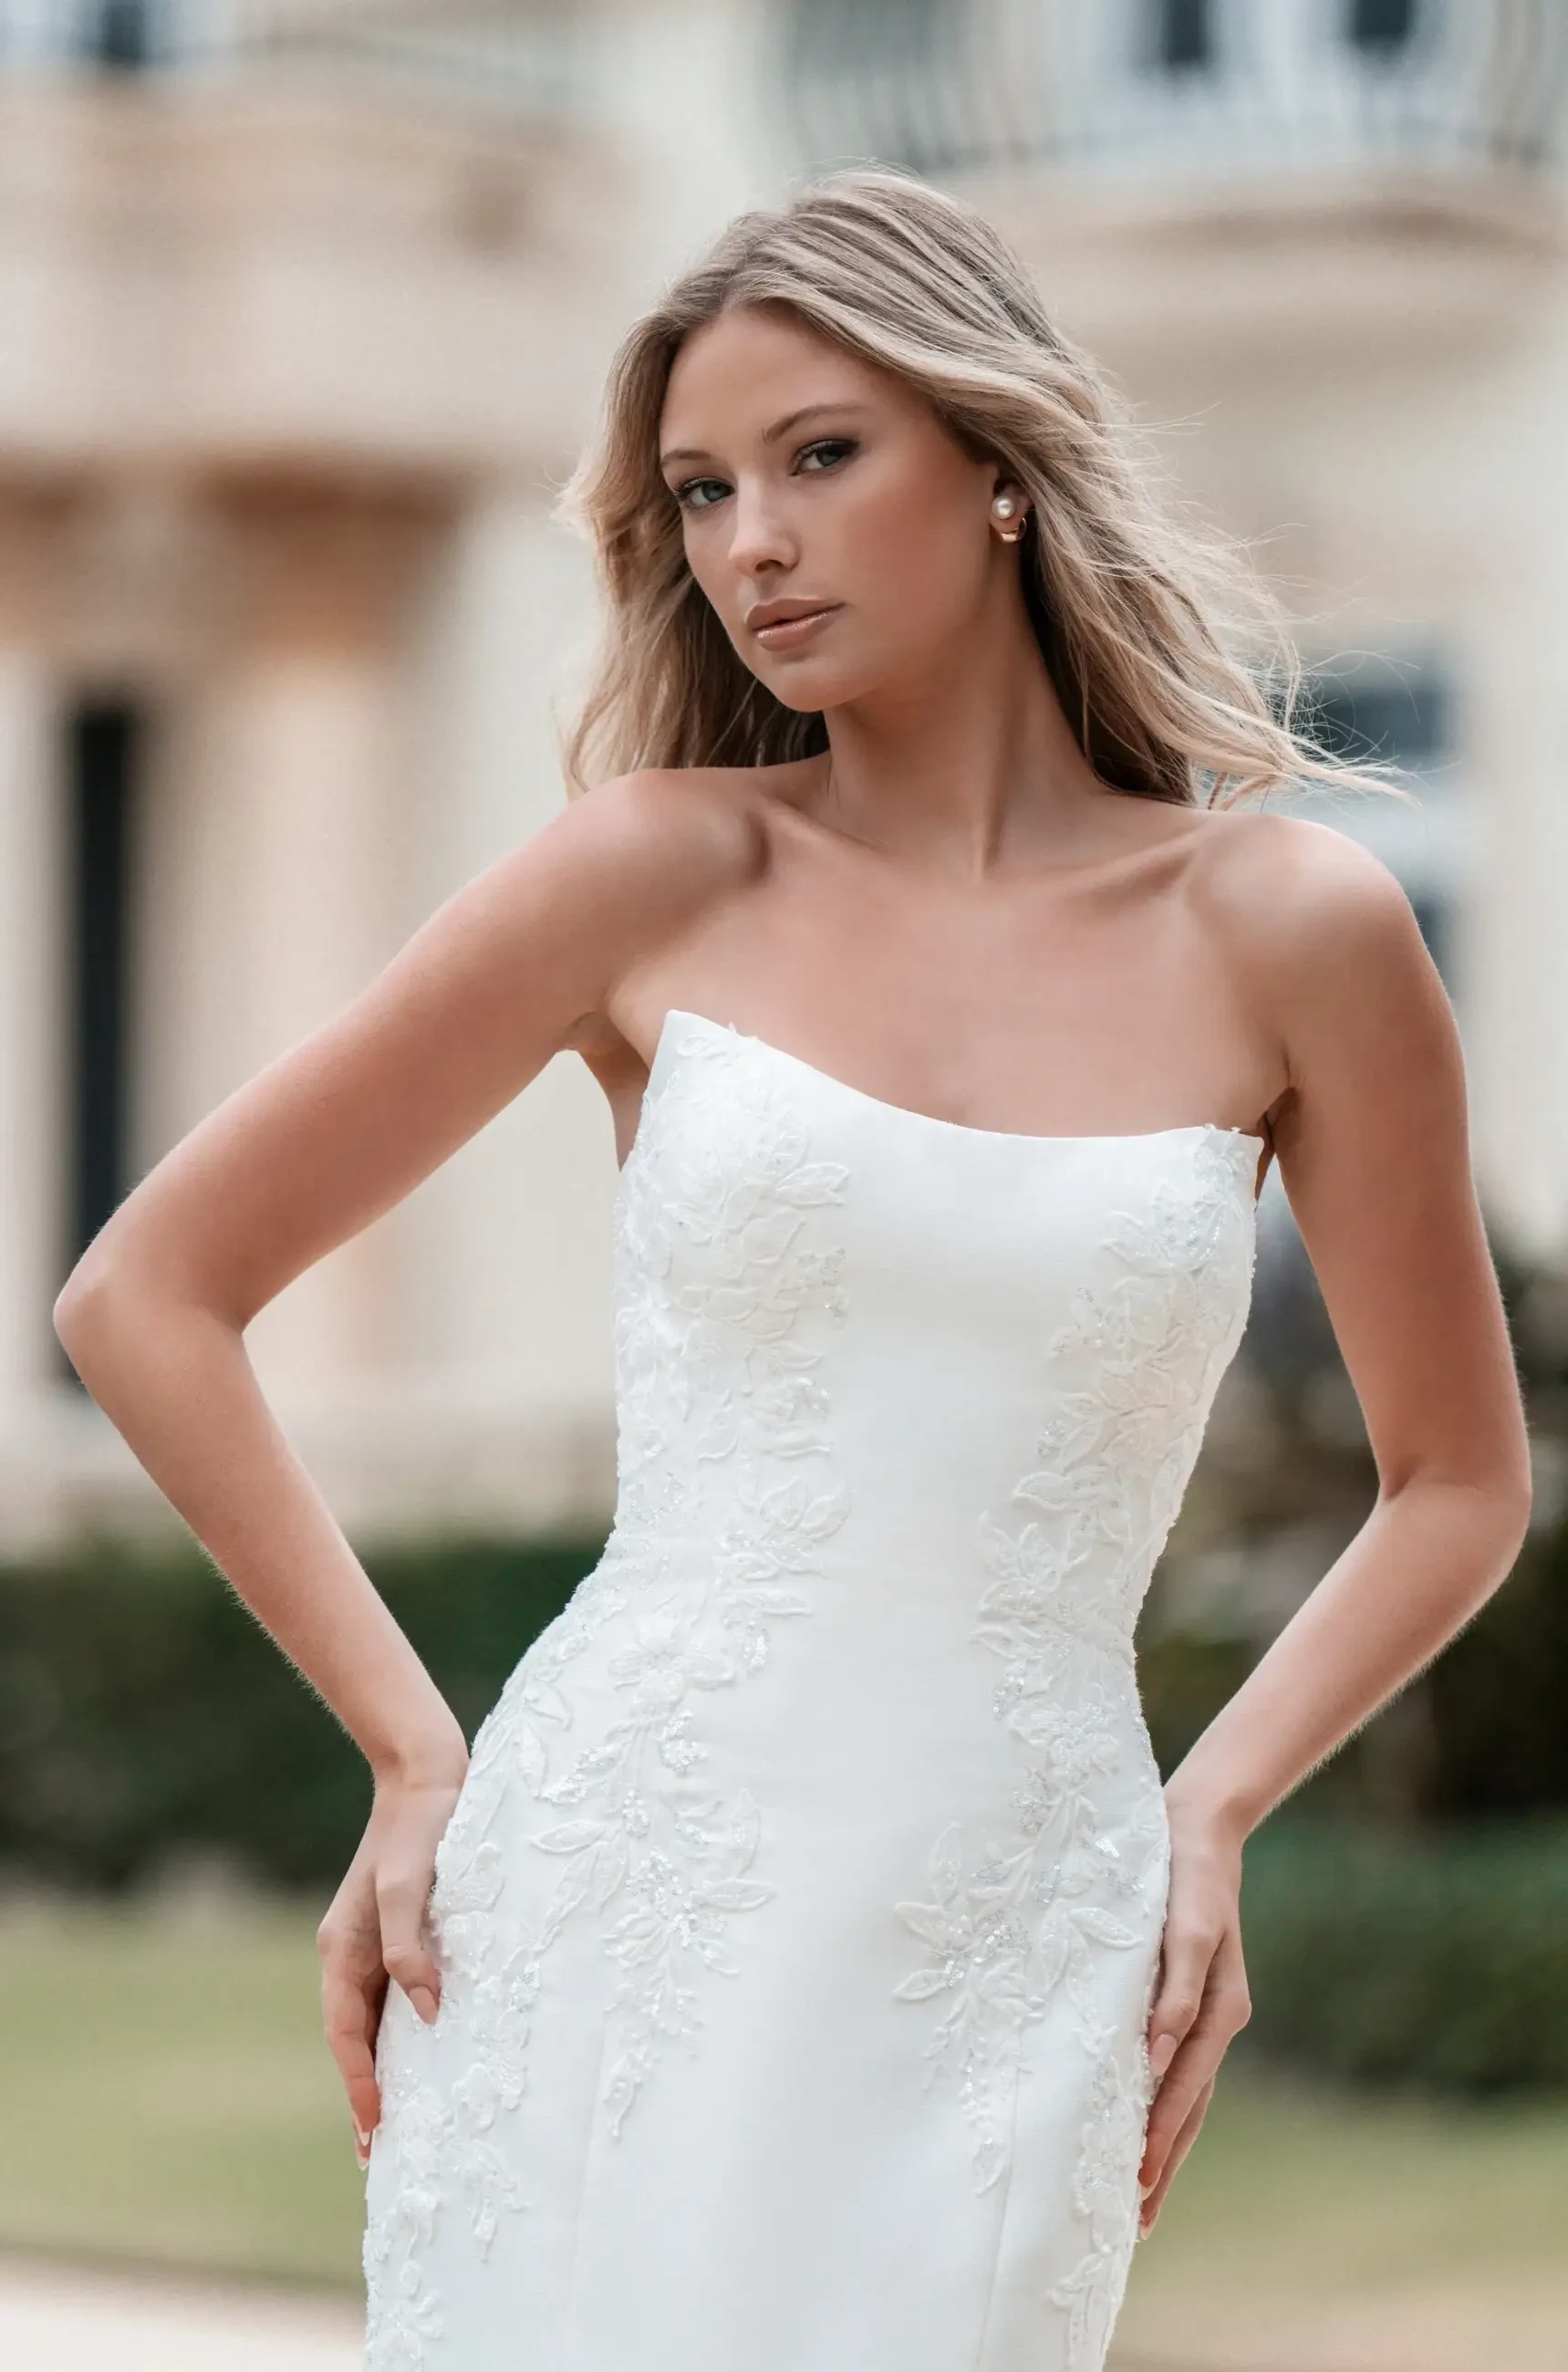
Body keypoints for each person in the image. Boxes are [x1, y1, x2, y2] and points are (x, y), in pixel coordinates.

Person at [55, 164, 1531, 2372]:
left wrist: (1206, 1803)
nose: (751, 539)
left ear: (999, 467)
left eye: (819, 458)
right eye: (699, 488)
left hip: (1015, 1921)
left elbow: (1456, 1481)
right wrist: (408, 1751)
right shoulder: (653, 871)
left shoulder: (1297, 931)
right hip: (606, 1894)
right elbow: (145, 1297)